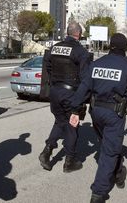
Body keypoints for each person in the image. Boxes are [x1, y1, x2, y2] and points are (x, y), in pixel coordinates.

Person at [69, 33, 127, 203]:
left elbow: (83, 88)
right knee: (109, 151)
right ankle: (98, 193)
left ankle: (119, 173)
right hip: (114, 114)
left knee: (109, 146)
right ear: (124, 47)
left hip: (96, 112)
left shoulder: (96, 65)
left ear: (110, 45)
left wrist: (75, 110)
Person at [38, 22, 91, 173]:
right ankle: (70, 162)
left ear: (68, 33)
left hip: (54, 92)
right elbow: (85, 78)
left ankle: (46, 152)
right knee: (72, 125)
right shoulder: (80, 51)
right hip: (70, 94)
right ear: (79, 34)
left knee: (60, 122)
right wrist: (83, 99)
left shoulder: (54, 48)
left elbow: (48, 68)